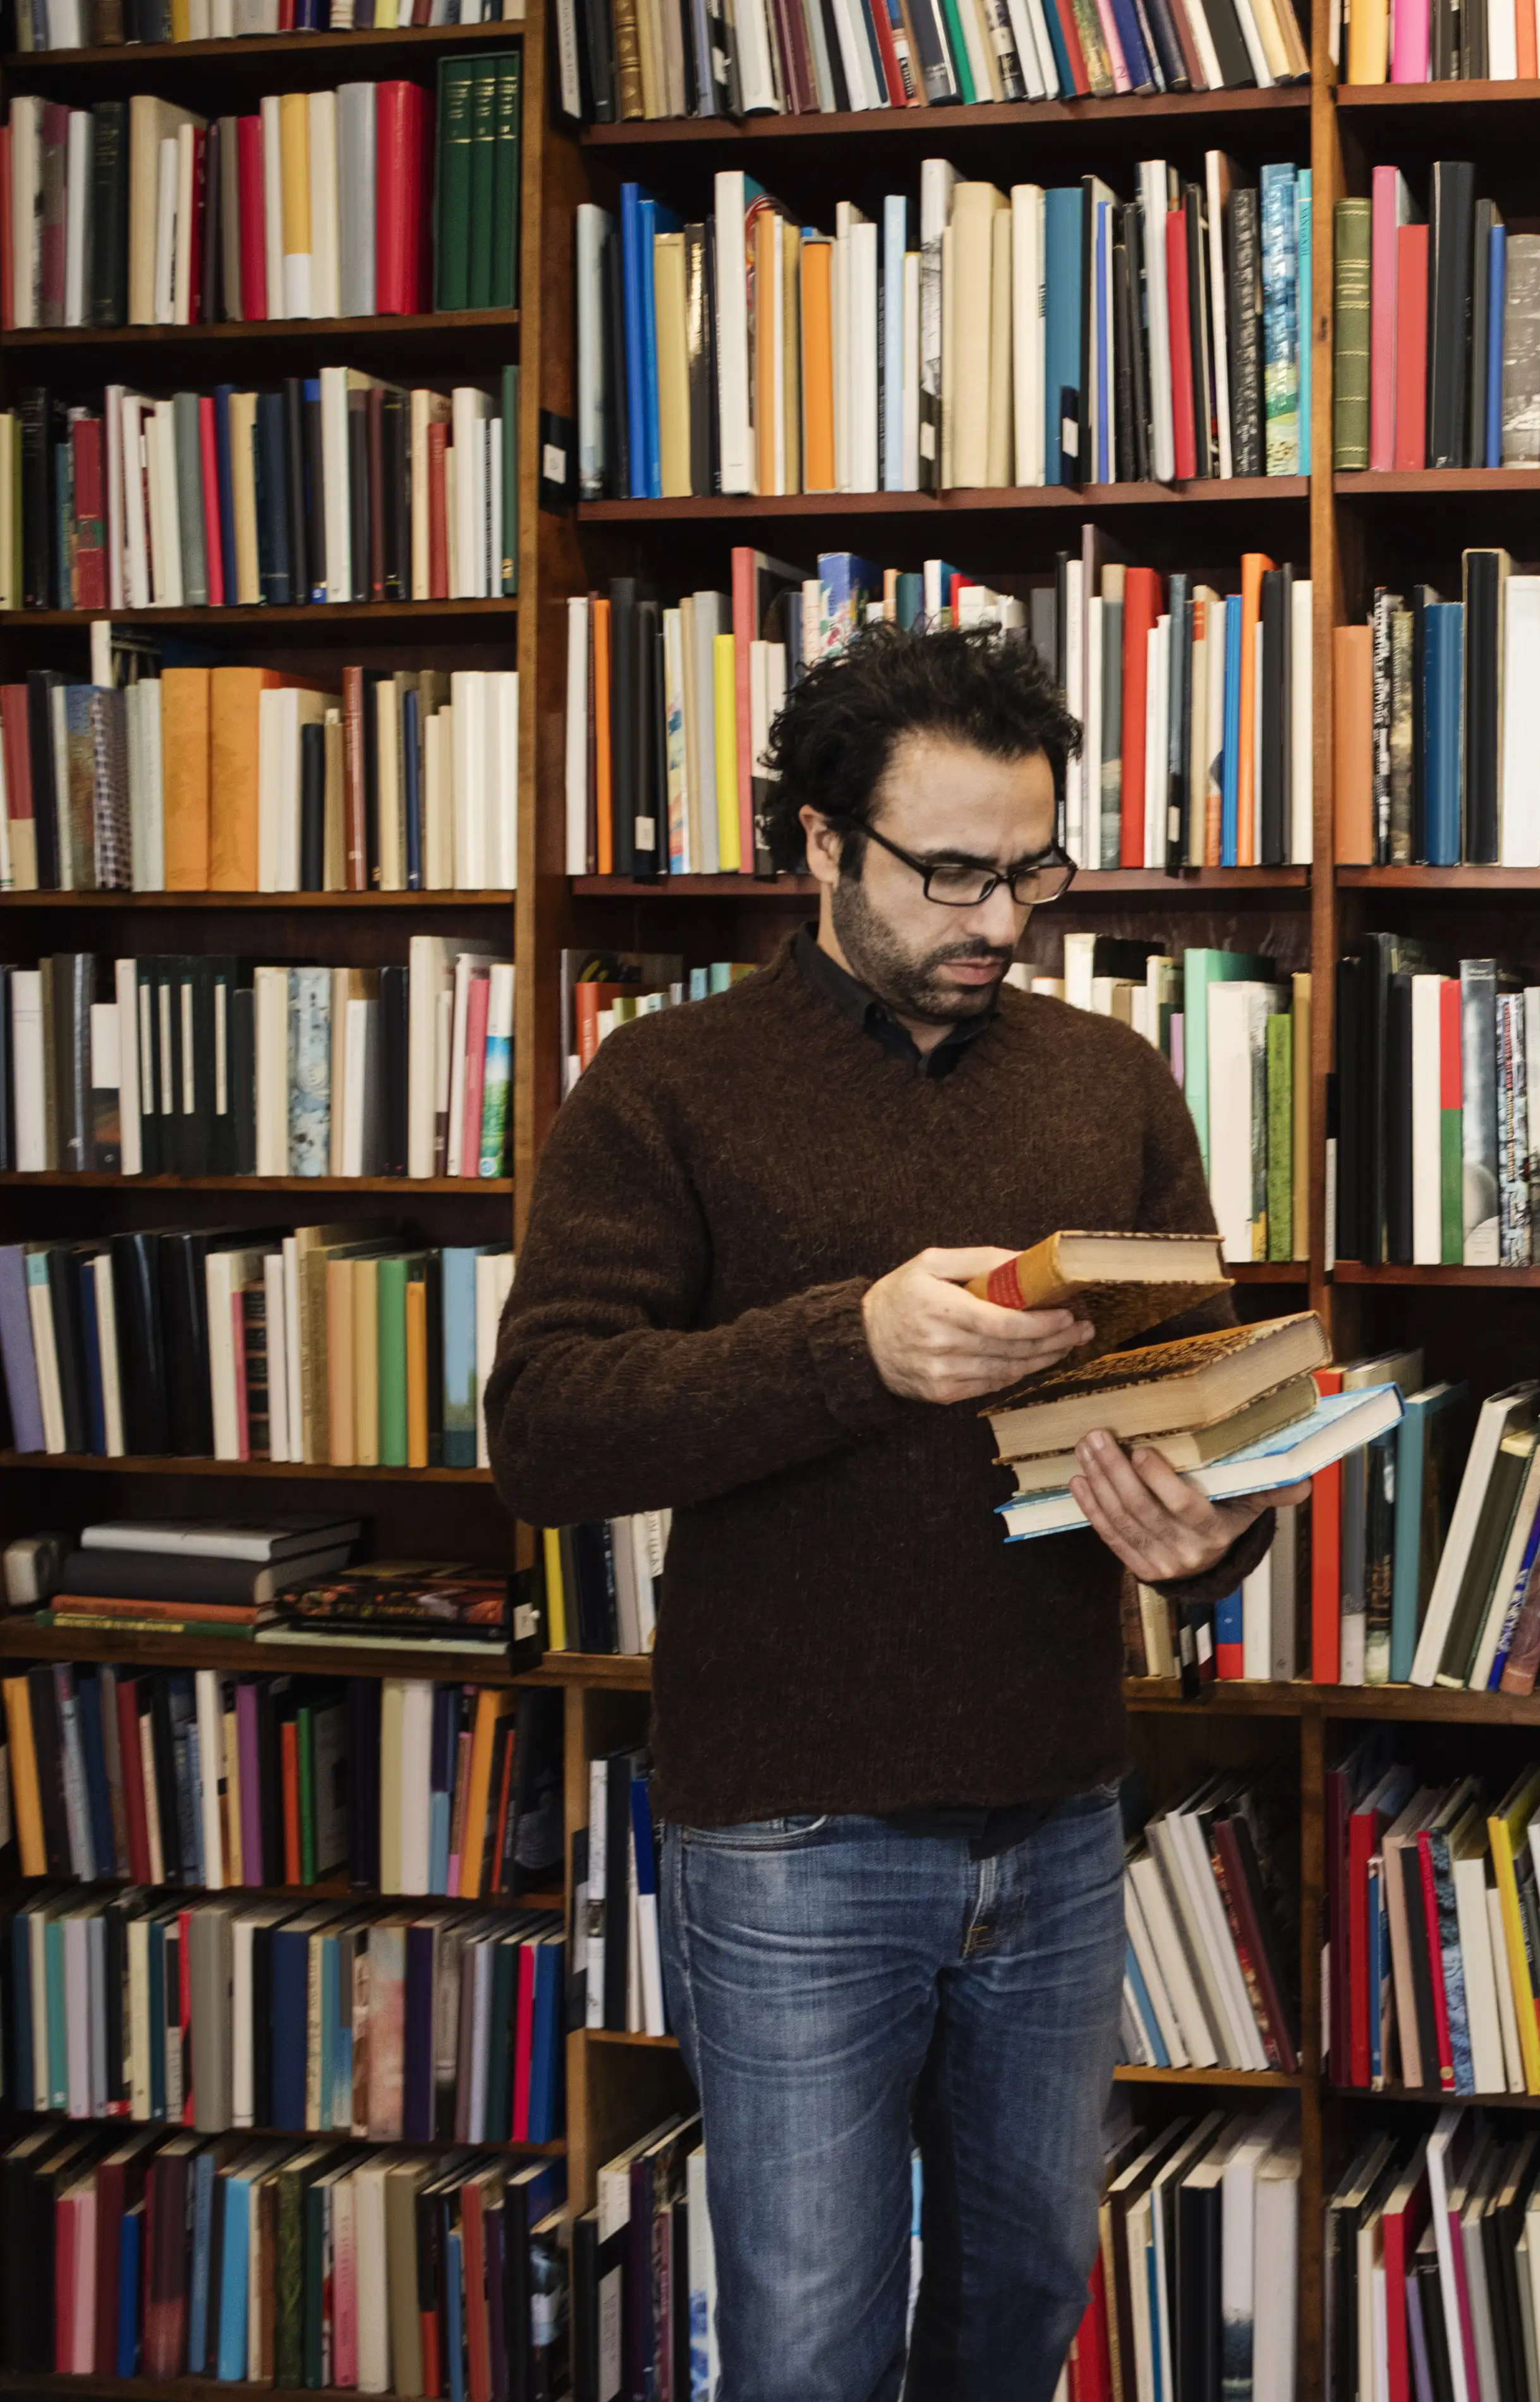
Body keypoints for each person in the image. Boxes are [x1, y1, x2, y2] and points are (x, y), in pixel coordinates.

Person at [486, 620, 1287, 2402]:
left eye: (1031, 871)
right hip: (793, 1835)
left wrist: (1210, 1527)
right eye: (946, 873)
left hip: (1061, 1807)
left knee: (1023, 2299)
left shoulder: (1110, 1082)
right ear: (820, 847)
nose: (997, 921)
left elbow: (1207, 1422)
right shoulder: (667, 1088)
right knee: (811, 2339)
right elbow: (546, 1427)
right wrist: (850, 1346)